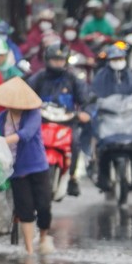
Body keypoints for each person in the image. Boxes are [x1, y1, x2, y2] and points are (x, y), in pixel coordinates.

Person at [0, 77, 54, 255]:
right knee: (24, 208)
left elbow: (27, 134)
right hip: (16, 170)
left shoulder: (33, 114)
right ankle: (30, 249)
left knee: (44, 206)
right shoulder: (1, 119)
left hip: (37, 167)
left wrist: (3, 141)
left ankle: (43, 238)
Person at [27, 43, 94, 196]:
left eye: (61, 60)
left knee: (75, 142)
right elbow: (27, 95)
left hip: (67, 123)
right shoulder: (39, 78)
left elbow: (86, 99)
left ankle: (72, 177)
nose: (58, 63)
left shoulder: (72, 79)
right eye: (54, 60)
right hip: (42, 122)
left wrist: (86, 112)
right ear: (47, 60)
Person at [90, 44, 132, 191]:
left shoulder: (131, 77)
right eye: (114, 59)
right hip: (107, 120)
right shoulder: (101, 77)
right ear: (109, 60)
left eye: (120, 58)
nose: (118, 61)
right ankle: (96, 167)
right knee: (94, 135)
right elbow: (93, 96)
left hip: (128, 120)